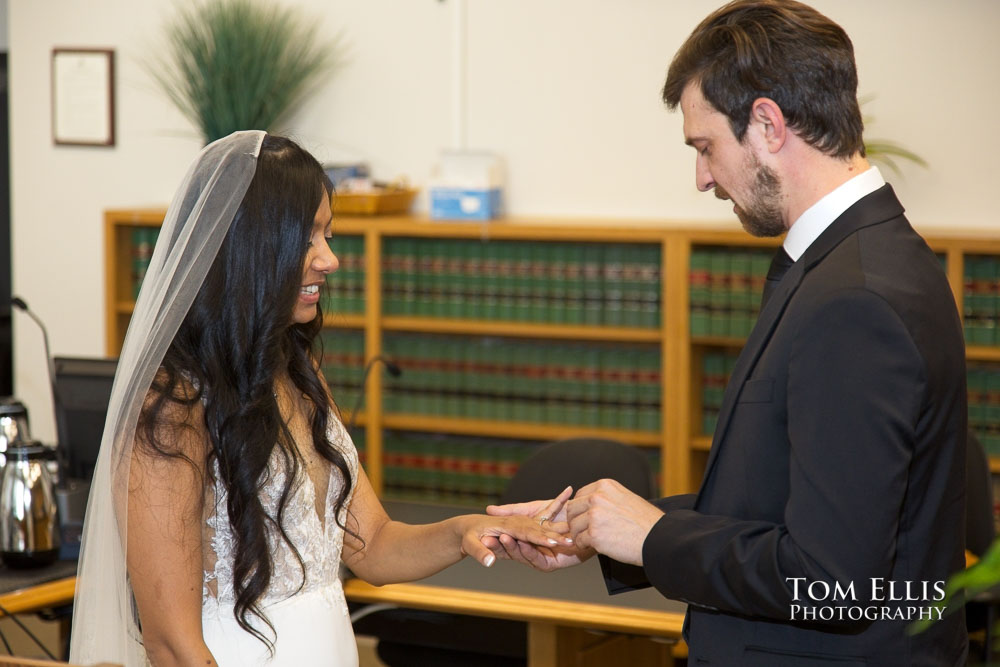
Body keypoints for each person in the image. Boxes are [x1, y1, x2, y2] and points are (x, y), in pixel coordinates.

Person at [486, 1, 968, 664]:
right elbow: (783, 497)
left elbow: (834, 582)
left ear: (767, 124)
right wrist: (605, 524)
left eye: (705, 146)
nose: (703, 177)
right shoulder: (857, 260)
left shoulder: (854, 298)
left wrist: (653, 537)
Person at [69, 131, 571, 667]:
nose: (329, 260)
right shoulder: (171, 410)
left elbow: (372, 545)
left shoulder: (297, 374)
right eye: (308, 239)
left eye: (328, 234)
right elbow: (173, 644)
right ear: (251, 249)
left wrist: (466, 530)